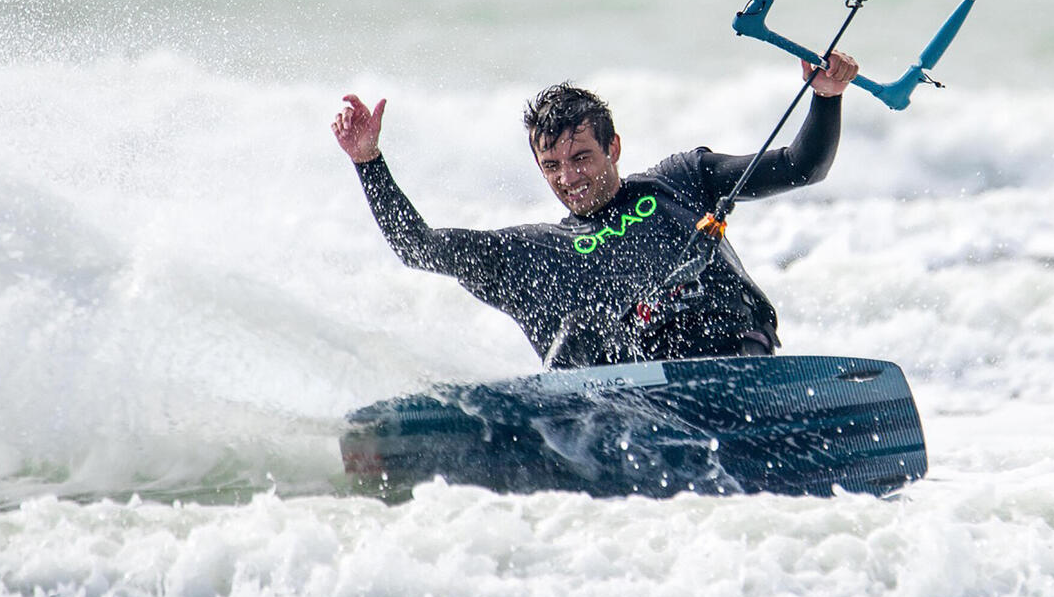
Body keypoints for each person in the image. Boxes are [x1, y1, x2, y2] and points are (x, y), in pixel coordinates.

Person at [332, 52, 859, 369]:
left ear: (614, 148)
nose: (569, 177)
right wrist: (369, 163)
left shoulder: (680, 181)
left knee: (705, 306)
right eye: (552, 165)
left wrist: (827, 97)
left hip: (733, 364)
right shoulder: (529, 253)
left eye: (581, 157)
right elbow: (415, 247)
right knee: (578, 332)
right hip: (630, 406)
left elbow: (801, 166)